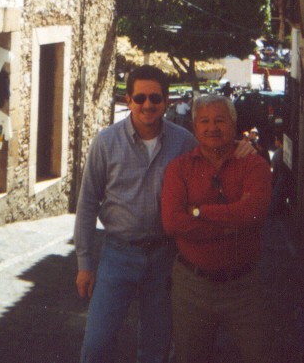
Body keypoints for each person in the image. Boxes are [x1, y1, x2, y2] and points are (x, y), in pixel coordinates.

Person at [74, 66, 253, 363]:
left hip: (165, 259)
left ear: (166, 101)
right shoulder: (106, 142)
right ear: (129, 99)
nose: (148, 105)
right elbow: (87, 203)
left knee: (155, 348)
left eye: (155, 98)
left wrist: (242, 149)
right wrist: (84, 263)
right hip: (118, 255)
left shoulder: (184, 142)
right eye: (140, 97)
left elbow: (215, 154)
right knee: (97, 344)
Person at [161, 93, 272, 363]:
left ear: (233, 125)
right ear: (195, 127)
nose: (212, 127)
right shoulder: (180, 168)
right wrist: (229, 226)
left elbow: (253, 213)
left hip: (244, 287)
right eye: (205, 121)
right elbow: (172, 222)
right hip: (192, 287)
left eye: (220, 120)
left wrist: (199, 212)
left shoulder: (253, 164)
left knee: (260, 356)